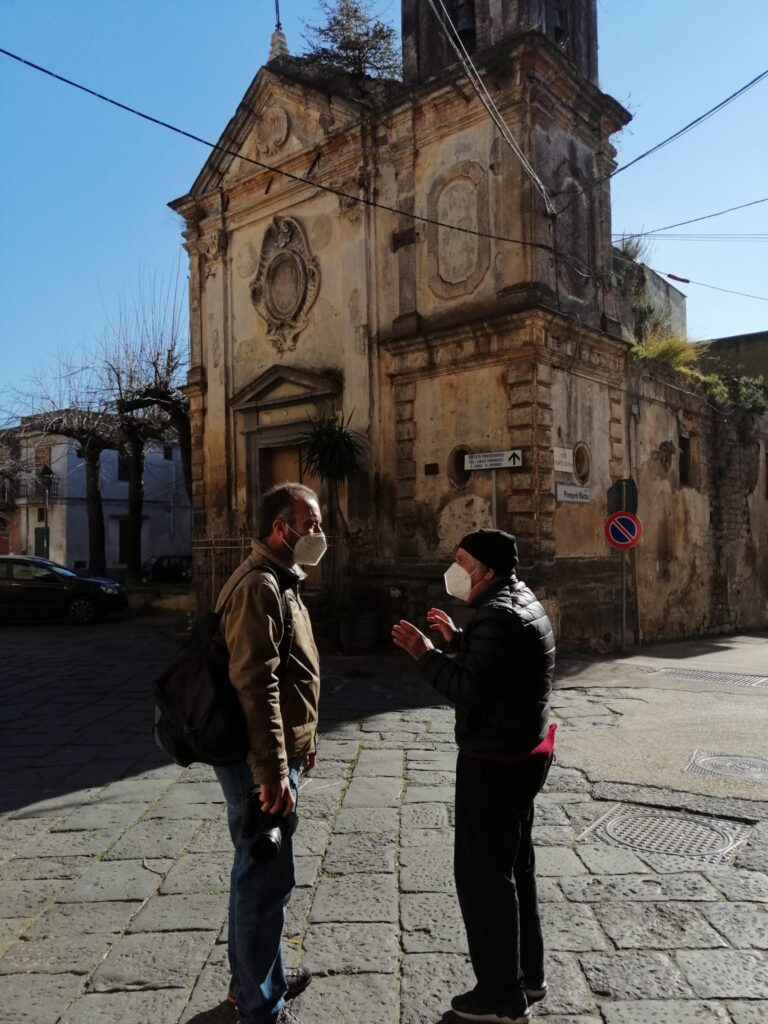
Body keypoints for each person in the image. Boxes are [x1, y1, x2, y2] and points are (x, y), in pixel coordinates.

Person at [392, 529, 556, 1024]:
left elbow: (469, 687)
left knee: (484, 877)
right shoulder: (519, 601)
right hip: (520, 752)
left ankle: (500, 995)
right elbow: (501, 664)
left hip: (495, 760)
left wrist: (426, 654)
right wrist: (458, 640)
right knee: (516, 869)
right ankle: (527, 976)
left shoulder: (500, 615)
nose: (454, 566)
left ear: (485, 570)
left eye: (462, 560)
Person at [214, 482, 326, 1024]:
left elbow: (294, 673)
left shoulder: (283, 580)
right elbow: (258, 685)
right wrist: (273, 770)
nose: (320, 534)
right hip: (255, 760)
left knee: (260, 875)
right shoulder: (260, 585)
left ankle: (256, 982)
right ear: (281, 528)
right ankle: (261, 1004)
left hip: (273, 755)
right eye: (312, 524)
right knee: (263, 880)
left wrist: (304, 743)